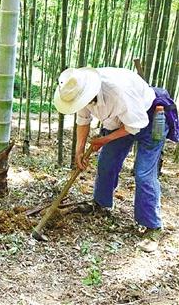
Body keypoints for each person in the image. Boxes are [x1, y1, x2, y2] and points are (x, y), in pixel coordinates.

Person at [53, 66, 174, 253]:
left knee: (144, 173)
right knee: (106, 162)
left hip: (149, 120)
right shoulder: (79, 92)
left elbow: (133, 127)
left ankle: (152, 227)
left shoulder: (117, 91)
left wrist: (104, 140)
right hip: (119, 123)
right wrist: (79, 150)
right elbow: (83, 121)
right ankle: (101, 204)